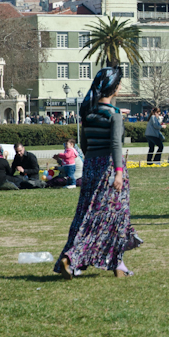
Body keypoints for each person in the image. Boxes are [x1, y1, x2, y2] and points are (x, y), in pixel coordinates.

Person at [55, 67, 142, 278]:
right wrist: (119, 173)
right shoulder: (114, 115)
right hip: (110, 169)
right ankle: (76, 258)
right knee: (114, 217)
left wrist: (92, 163)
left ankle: (111, 263)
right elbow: (115, 145)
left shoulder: (89, 114)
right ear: (115, 87)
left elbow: (84, 145)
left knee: (87, 215)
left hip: (92, 167)